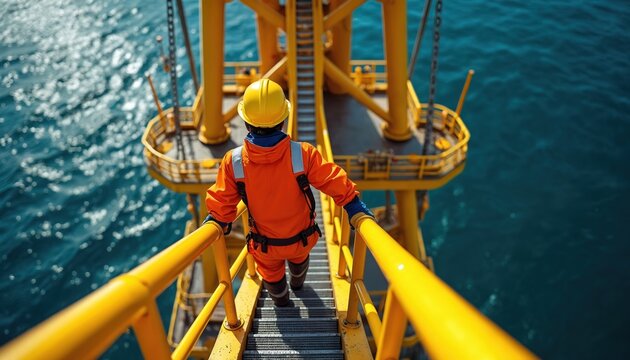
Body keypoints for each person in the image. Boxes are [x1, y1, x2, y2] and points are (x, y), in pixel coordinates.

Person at [204, 79, 372, 306]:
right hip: (301, 239)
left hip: (264, 246)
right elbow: (333, 180)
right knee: (300, 262)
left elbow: (222, 201)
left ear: (246, 123)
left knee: (271, 275)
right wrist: (354, 206)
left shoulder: (233, 162)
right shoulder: (303, 154)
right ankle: (298, 284)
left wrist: (217, 221)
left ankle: (282, 302)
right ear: (284, 120)